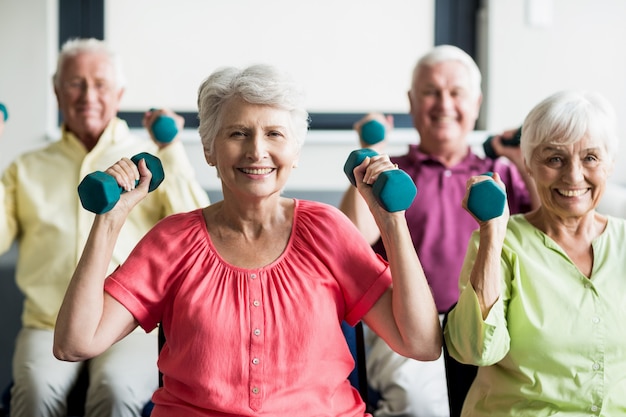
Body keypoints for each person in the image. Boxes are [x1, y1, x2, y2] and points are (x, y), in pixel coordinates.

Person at [52, 63, 443, 417]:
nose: (257, 151)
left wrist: (392, 223)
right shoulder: (172, 240)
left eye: (274, 133)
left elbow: (422, 343)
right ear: (208, 149)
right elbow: (75, 343)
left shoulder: (328, 229)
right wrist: (109, 222)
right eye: (238, 133)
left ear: (295, 150)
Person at [0, 38, 210, 417]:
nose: (87, 95)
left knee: (115, 392)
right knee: (32, 395)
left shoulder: (148, 161)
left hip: (129, 320)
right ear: (57, 91)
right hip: (47, 321)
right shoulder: (25, 167)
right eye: (75, 83)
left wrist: (172, 148)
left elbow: (202, 231)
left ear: (119, 94)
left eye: (99, 84)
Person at [339, 45, 540, 417]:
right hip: (409, 324)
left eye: (455, 92)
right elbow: (350, 237)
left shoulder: (501, 174)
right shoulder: (392, 172)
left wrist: (520, 157)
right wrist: (370, 153)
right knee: (418, 406)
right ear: (412, 102)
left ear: (476, 102)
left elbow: (548, 234)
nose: (443, 103)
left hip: (492, 318)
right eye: (431, 92)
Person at [444, 89, 626, 416]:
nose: (573, 175)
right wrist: (493, 232)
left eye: (590, 158)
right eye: (555, 158)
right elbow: (474, 351)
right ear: (528, 163)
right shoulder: (501, 243)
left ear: (610, 164)